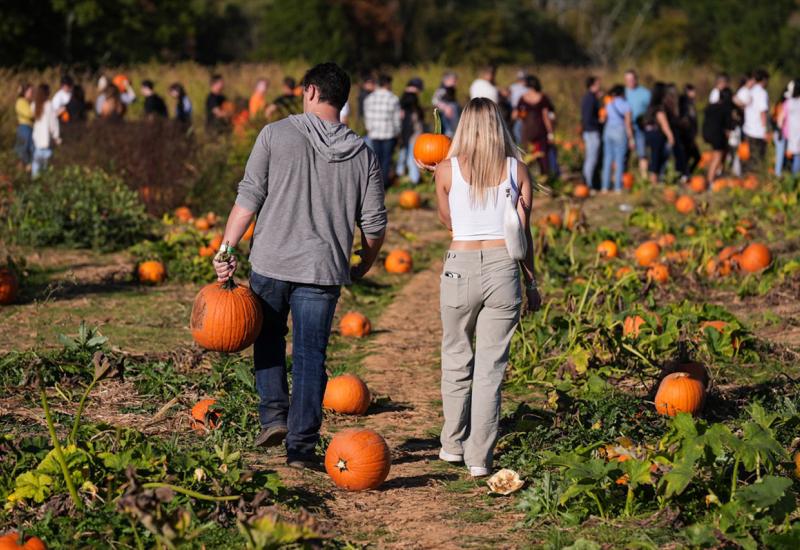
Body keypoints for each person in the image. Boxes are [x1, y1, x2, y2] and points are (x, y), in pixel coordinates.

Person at [212, 62, 387, 470]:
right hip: (323, 270)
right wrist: (364, 261)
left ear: (309, 91)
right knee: (311, 356)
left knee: (268, 338)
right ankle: (301, 448)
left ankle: (274, 416)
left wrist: (226, 249)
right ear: (342, 102)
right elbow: (374, 224)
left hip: (271, 262)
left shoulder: (275, 135)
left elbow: (248, 198)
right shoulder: (363, 153)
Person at [416, 98, 540, 477]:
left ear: (465, 127)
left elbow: (448, 221)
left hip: (461, 267)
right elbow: (524, 232)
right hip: (504, 267)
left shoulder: (447, 170)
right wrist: (532, 281)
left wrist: (437, 177)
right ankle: (478, 458)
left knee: (456, 355)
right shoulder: (517, 170)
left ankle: (452, 444)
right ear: (498, 126)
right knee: (491, 367)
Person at [363, 73, 401, 186]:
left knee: (376, 160)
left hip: (374, 133)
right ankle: (384, 184)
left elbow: (367, 117)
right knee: (386, 160)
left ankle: (375, 183)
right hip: (388, 133)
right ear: (388, 84)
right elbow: (396, 119)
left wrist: (369, 129)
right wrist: (398, 132)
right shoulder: (393, 98)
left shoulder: (369, 98)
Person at [600, 85, 635, 193]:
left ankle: (605, 186)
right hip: (620, 131)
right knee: (619, 160)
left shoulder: (608, 104)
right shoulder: (626, 105)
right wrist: (631, 138)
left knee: (607, 159)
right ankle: (617, 187)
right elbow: (628, 123)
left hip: (608, 130)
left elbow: (603, 118)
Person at [516, 75, 553, 175]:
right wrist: (550, 132)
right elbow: (546, 117)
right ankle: (544, 178)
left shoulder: (523, 98)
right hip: (540, 130)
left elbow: (518, 115)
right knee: (542, 155)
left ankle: (529, 178)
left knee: (528, 154)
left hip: (527, 130)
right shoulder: (542, 97)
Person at [643, 82, 675, 184]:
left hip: (649, 134)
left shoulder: (650, 107)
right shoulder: (659, 108)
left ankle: (651, 180)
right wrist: (670, 136)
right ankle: (654, 182)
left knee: (652, 158)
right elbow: (664, 124)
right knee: (656, 159)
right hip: (657, 135)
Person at [702, 88, 734, 184]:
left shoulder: (710, 106)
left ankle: (715, 176)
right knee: (717, 157)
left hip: (707, 133)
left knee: (716, 155)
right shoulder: (726, 109)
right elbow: (728, 128)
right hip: (717, 135)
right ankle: (710, 181)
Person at [396, 78, 425, 185]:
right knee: (411, 156)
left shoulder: (407, 98)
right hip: (410, 132)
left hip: (411, 132)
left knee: (405, 154)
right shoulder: (409, 98)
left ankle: (406, 176)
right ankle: (413, 179)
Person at [739, 69, 769, 170]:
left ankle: (746, 177)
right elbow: (762, 112)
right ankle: (754, 179)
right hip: (758, 131)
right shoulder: (762, 93)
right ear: (764, 80)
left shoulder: (749, 90)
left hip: (747, 129)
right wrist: (765, 130)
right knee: (758, 158)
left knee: (747, 156)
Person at [624, 69, 651, 176]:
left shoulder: (645, 93)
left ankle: (644, 178)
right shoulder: (623, 92)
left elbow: (650, 110)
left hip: (640, 127)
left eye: (632, 79)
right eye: (627, 80)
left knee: (642, 153)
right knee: (623, 154)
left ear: (636, 79)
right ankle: (621, 179)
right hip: (625, 127)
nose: (630, 82)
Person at [31, 84, 61, 177]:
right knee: (46, 169)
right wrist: (56, 136)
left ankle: (34, 184)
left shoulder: (34, 105)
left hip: (37, 140)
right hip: (46, 141)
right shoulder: (49, 105)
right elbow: (53, 123)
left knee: (36, 167)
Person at [580, 76, 602, 188]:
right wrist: (599, 121)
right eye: (598, 84)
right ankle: (587, 183)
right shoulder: (590, 99)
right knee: (591, 159)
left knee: (591, 158)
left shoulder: (591, 97)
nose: (600, 86)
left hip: (590, 131)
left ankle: (588, 182)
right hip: (591, 131)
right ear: (592, 85)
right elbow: (588, 118)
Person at [777, 79, 800, 175]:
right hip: (796, 132)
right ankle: (795, 176)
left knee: (791, 155)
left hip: (789, 132)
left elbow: (780, 119)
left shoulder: (788, 103)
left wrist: (779, 131)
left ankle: (789, 176)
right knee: (797, 155)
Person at [677, 84, 700, 178]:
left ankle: (686, 174)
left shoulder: (691, 104)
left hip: (690, 135)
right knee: (689, 156)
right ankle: (684, 175)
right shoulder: (684, 104)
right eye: (692, 91)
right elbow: (686, 120)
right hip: (686, 135)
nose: (694, 93)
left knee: (695, 156)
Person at [773, 82, 793, 177]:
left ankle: (782, 173)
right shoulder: (783, 105)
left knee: (784, 155)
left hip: (785, 133)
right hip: (781, 133)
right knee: (780, 155)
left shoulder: (782, 104)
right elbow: (778, 120)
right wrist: (780, 131)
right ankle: (778, 175)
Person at [432, 73, 460, 137]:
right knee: (448, 132)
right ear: (447, 80)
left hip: (453, 117)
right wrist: (445, 107)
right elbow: (434, 100)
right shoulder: (442, 89)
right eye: (454, 81)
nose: (455, 83)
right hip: (446, 116)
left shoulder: (451, 90)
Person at [14, 83, 34, 169]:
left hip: (29, 128)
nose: (31, 93)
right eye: (30, 91)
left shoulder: (27, 102)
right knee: (23, 150)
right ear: (25, 92)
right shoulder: (21, 101)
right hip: (24, 128)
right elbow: (29, 114)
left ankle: (27, 167)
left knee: (29, 149)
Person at [509, 70, 528, 143]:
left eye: (524, 78)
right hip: (512, 110)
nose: (523, 81)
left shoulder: (528, 89)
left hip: (523, 111)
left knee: (517, 129)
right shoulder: (513, 87)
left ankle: (520, 147)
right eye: (521, 79)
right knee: (512, 130)